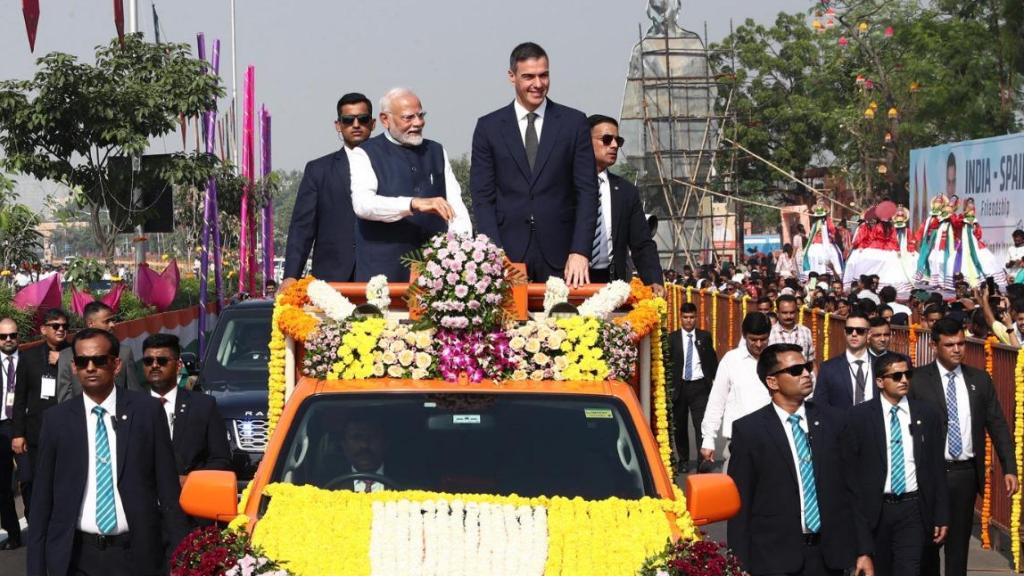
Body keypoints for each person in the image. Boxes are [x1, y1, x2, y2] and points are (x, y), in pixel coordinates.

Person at [28, 328, 188, 576]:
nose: (90, 367)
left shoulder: (146, 412)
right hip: (76, 557)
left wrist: (180, 560)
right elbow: (41, 501)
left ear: (116, 365)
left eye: (99, 360)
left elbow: (168, 491)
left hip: (134, 555)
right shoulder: (56, 420)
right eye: (82, 362)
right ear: (74, 367)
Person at [728, 343, 871, 576]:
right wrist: (739, 566)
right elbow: (741, 507)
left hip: (828, 557)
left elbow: (852, 490)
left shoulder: (835, 422)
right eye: (795, 370)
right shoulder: (749, 431)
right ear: (772, 381)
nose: (806, 373)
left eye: (806, 367)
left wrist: (863, 551)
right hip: (774, 559)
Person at [470, 42, 599, 284]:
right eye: (529, 76)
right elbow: (482, 197)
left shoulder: (573, 123)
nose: (538, 84)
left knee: (564, 321)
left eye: (544, 75)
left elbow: (588, 192)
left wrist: (580, 250)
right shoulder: (489, 128)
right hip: (508, 255)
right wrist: (495, 254)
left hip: (564, 256)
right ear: (512, 77)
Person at [908, 317, 1018, 576]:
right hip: (929, 474)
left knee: (958, 548)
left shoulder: (979, 380)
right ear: (935, 346)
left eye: (961, 344)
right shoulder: (918, 380)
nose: (957, 350)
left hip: (964, 475)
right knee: (929, 545)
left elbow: (998, 425)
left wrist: (1009, 467)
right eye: (949, 345)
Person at [841, 353, 949, 576]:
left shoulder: (927, 414)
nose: (904, 380)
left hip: (913, 507)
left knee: (909, 568)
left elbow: (937, 468)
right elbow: (850, 473)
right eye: (896, 375)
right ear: (880, 381)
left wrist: (941, 514)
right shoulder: (858, 417)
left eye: (908, 374)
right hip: (876, 509)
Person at [349, 88, 471, 281]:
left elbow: (456, 207)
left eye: (420, 115)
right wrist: (412, 204)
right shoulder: (365, 153)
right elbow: (364, 205)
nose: (418, 123)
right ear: (385, 119)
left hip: (434, 270)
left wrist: (464, 253)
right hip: (384, 273)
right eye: (408, 117)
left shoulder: (436, 151)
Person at [282, 93, 374, 288]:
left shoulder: (391, 167)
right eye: (348, 120)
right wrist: (291, 275)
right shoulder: (318, 170)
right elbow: (302, 228)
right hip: (332, 279)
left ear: (373, 123)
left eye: (362, 119)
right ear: (338, 125)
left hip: (381, 276)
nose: (356, 125)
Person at [141, 334, 230, 486]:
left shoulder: (203, 406)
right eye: (148, 361)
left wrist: (191, 481)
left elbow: (221, 459)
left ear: (178, 366)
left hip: (188, 500)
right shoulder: (130, 407)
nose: (154, 365)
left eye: (162, 361)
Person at [586, 114, 663, 291]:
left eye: (617, 140)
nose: (614, 145)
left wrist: (653, 280)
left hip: (613, 285)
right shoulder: (564, 186)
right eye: (606, 139)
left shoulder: (626, 191)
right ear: (584, 141)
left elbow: (642, 243)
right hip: (571, 283)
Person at [11, 309, 70, 519]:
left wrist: (64, 360)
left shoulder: (73, 354)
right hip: (35, 432)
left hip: (66, 430)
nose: (61, 329)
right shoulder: (29, 357)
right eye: (56, 326)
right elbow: (20, 398)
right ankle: (34, 520)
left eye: (64, 326)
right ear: (44, 329)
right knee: (31, 481)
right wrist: (18, 433)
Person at [699, 313, 772, 468]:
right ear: (744, 335)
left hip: (773, 440)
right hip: (738, 442)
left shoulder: (777, 359)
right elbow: (717, 401)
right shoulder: (731, 360)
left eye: (763, 339)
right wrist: (708, 438)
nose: (759, 344)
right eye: (753, 340)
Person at [57, 301, 141, 402]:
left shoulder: (124, 352)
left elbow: (134, 392)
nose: (112, 325)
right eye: (106, 321)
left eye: (113, 320)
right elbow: (65, 399)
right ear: (90, 323)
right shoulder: (67, 356)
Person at [669, 302, 718, 471]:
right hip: (680, 386)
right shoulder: (672, 338)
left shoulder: (704, 336)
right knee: (680, 425)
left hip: (699, 387)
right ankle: (683, 460)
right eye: (685, 317)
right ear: (680, 318)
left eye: (691, 317)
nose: (688, 321)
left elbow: (712, 360)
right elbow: (668, 363)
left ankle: (700, 461)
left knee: (700, 425)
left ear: (696, 318)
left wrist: (714, 381)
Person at [814, 313, 873, 409]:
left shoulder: (880, 365)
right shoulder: (828, 368)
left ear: (869, 334)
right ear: (845, 332)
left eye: (860, 331)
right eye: (849, 330)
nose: (854, 334)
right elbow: (820, 405)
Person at [0, 318, 24, 550]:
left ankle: (37, 529)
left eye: (12, 335)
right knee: (3, 486)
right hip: (0, 428)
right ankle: (13, 533)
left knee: (28, 480)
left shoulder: (29, 361)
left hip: (23, 427)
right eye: (3, 336)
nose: (8, 340)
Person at [770, 294, 816, 364]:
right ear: (777, 312)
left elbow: (811, 361)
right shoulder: (770, 333)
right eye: (784, 313)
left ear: (796, 312)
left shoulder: (806, 331)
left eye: (792, 312)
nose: (789, 316)